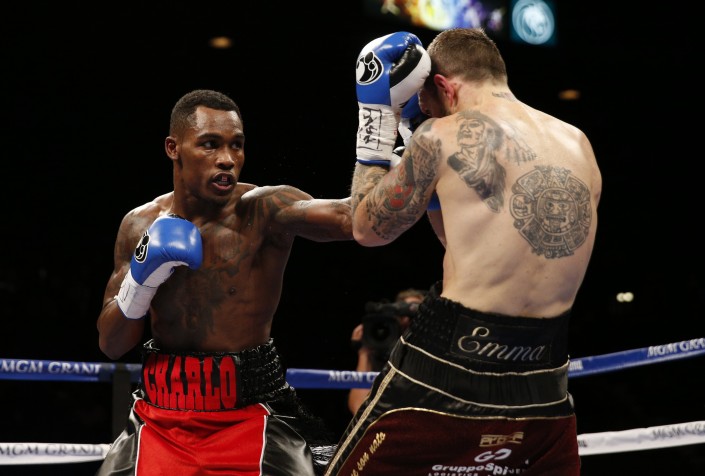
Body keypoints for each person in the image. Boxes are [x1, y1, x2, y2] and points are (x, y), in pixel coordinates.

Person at [325, 28, 601, 475]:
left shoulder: (438, 135)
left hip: (448, 363)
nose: (424, 115)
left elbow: (367, 229)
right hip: (545, 378)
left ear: (443, 85)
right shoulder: (578, 143)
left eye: (426, 104)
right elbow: (475, 247)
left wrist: (376, 126)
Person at [95, 89, 353, 476]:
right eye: (210, 144)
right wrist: (141, 280)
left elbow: (354, 220)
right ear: (173, 148)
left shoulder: (265, 210)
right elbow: (111, 344)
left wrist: (384, 134)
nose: (228, 159)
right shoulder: (139, 225)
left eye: (237, 145)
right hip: (159, 417)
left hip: (253, 411)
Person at [347, 288, 427, 415]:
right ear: (396, 319)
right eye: (404, 315)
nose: (410, 321)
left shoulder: (437, 356)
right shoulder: (382, 355)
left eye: (416, 314)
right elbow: (359, 407)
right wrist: (364, 351)